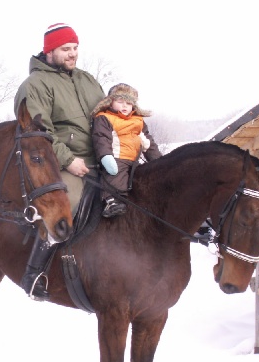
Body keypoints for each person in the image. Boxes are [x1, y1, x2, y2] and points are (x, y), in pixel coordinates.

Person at [13, 23, 105, 301]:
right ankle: (33, 273)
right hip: (62, 164)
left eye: (75, 48)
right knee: (66, 205)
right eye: (66, 49)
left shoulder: (87, 80)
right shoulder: (35, 86)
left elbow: (106, 117)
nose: (73, 53)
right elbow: (38, 135)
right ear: (49, 51)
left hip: (102, 158)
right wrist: (69, 160)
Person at [91, 83, 162, 218]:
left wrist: (159, 161)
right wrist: (106, 156)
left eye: (128, 103)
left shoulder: (138, 121)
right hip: (117, 158)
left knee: (143, 178)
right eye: (120, 102)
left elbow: (148, 142)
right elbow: (101, 138)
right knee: (115, 175)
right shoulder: (104, 118)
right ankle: (112, 200)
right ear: (110, 102)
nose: (124, 106)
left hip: (134, 160)